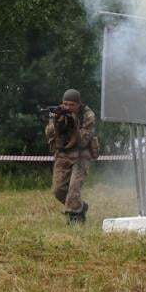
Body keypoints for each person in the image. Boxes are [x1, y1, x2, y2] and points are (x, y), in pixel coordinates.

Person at [45, 89, 97, 224]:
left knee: (74, 189)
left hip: (82, 154)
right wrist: (58, 122)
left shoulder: (88, 115)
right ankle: (80, 207)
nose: (67, 107)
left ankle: (75, 219)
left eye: (71, 105)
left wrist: (73, 123)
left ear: (79, 104)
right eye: (65, 104)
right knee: (58, 190)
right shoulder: (58, 112)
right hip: (63, 153)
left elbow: (84, 140)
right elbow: (49, 133)